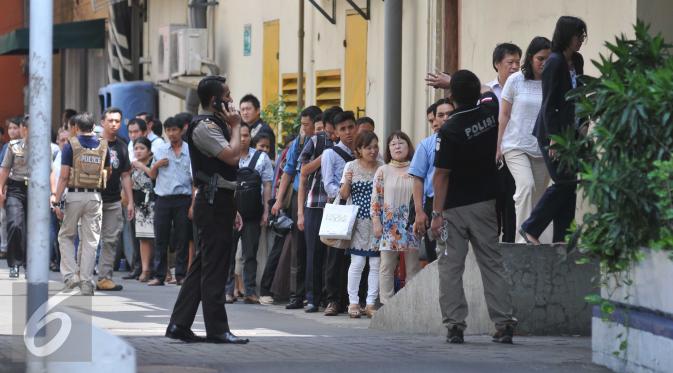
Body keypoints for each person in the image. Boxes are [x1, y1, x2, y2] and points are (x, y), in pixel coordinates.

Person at [431, 70, 517, 344]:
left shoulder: (449, 129)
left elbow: (441, 175)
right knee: (492, 263)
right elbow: (485, 89)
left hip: (454, 208)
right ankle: (503, 323)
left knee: (450, 267)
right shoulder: (490, 112)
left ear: (452, 97)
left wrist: (436, 214)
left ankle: (455, 325)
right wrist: (455, 82)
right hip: (486, 204)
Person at [166, 75, 248, 344]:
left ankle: (179, 324)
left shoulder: (217, 124)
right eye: (227, 95)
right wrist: (236, 126)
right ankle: (217, 329)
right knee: (214, 268)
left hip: (221, 200)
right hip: (212, 202)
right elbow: (233, 156)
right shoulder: (205, 127)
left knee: (202, 266)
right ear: (214, 101)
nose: (231, 100)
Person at [520, 16, 587, 245]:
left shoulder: (576, 60)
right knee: (564, 182)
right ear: (567, 35)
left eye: (583, 36)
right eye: (578, 36)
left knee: (570, 186)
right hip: (554, 134)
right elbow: (548, 103)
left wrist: (585, 121)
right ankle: (531, 228)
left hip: (573, 133)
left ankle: (562, 238)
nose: (581, 41)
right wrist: (555, 140)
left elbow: (581, 93)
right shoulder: (554, 62)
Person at [496, 36, 553, 244]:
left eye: (548, 58)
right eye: (540, 58)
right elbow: (504, 114)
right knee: (526, 187)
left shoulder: (552, 80)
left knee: (537, 197)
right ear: (530, 58)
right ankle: (522, 244)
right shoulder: (515, 80)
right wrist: (498, 145)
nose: (544, 63)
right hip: (515, 145)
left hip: (542, 147)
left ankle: (533, 235)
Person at [53, 113, 111, 295]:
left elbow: (63, 176)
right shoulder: (103, 145)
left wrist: (56, 198)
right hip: (95, 197)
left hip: (75, 196)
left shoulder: (71, 145)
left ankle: (70, 276)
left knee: (66, 236)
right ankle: (86, 282)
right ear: (93, 127)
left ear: (76, 128)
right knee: (90, 241)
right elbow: (107, 172)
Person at [270, 107, 319, 310]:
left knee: (316, 251)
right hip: (299, 202)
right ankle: (296, 295)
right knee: (298, 251)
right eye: (303, 124)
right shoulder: (298, 144)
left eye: (306, 125)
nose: (303, 128)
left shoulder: (325, 143)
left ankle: (314, 294)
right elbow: (288, 172)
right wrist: (279, 200)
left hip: (319, 201)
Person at [224, 123, 274, 304]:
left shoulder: (261, 158)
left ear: (250, 137)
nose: (243, 139)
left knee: (250, 254)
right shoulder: (226, 156)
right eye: (240, 135)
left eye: (246, 135)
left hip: (253, 213)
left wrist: (266, 210)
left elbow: (268, 184)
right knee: (228, 254)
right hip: (229, 213)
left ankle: (250, 291)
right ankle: (228, 291)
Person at [297, 106, 340, 312]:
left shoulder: (346, 143)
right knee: (313, 253)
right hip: (315, 203)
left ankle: (330, 297)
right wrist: (324, 157)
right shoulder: (316, 141)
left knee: (334, 255)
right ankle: (312, 297)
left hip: (338, 205)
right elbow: (303, 170)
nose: (331, 133)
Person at [372, 131, 420, 305]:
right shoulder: (382, 170)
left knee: (413, 266)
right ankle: (387, 304)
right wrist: (376, 221)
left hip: (412, 223)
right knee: (386, 266)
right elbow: (376, 199)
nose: (397, 146)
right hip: (389, 225)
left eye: (401, 143)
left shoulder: (417, 168)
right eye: (393, 144)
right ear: (388, 149)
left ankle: (411, 303)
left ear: (409, 147)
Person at [340, 131, 382, 318]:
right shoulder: (351, 166)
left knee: (375, 263)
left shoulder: (382, 167)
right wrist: (348, 180)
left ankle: (371, 303)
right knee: (357, 263)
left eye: (375, 146)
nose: (373, 151)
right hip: (357, 222)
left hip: (377, 222)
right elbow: (343, 195)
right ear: (358, 149)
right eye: (368, 147)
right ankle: (353, 303)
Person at [320, 110, 357, 316]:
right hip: (340, 208)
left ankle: (354, 299)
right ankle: (332, 300)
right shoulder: (330, 154)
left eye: (351, 127)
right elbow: (328, 185)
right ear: (335, 132)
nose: (348, 132)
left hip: (362, 209)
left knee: (358, 255)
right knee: (335, 255)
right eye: (343, 129)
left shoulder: (365, 151)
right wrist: (345, 192)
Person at [147, 117, 192, 286]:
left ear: (182, 130)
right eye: (169, 130)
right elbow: (152, 176)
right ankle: (159, 275)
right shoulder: (160, 150)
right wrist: (156, 165)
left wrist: (193, 204)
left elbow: (194, 180)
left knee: (182, 237)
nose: (172, 134)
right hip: (163, 199)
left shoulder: (189, 150)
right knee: (161, 238)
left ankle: (180, 275)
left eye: (175, 130)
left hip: (183, 198)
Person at [96, 107, 135, 292]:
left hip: (112, 201)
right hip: (93, 199)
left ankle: (104, 278)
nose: (113, 124)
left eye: (117, 121)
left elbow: (126, 175)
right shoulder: (93, 143)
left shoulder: (121, 145)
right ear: (102, 122)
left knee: (111, 240)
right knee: (89, 240)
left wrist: (130, 201)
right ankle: (83, 277)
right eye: (110, 120)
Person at [410, 99, 453, 263]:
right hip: (433, 204)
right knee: (435, 256)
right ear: (435, 119)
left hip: (460, 204)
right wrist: (419, 212)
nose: (446, 118)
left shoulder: (466, 141)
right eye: (441, 115)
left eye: (450, 114)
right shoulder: (426, 145)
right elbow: (418, 179)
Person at [487, 43, 523, 243]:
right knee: (494, 203)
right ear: (497, 64)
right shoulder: (488, 92)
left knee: (512, 200)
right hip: (493, 154)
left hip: (516, 151)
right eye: (510, 62)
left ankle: (511, 242)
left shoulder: (523, 89)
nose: (515, 66)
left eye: (518, 62)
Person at [0, 118, 30, 278]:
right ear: (24, 129)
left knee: (32, 229)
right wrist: (0, 190)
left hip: (36, 190)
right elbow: (4, 169)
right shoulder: (13, 146)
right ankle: (15, 264)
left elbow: (51, 172)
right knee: (15, 225)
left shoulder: (44, 148)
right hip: (15, 189)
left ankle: (29, 263)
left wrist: (52, 193)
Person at [130, 136, 156, 282]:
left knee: (156, 238)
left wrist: (142, 166)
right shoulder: (132, 165)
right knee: (143, 238)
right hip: (139, 205)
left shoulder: (153, 162)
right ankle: (145, 269)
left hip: (153, 203)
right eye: (136, 148)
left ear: (149, 150)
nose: (138, 151)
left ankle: (160, 269)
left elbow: (154, 176)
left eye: (142, 148)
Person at [240, 94, 276, 159]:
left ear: (258, 110)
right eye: (242, 109)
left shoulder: (264, 129)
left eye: (248, 109)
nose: (245, 113)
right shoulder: (245, 128)